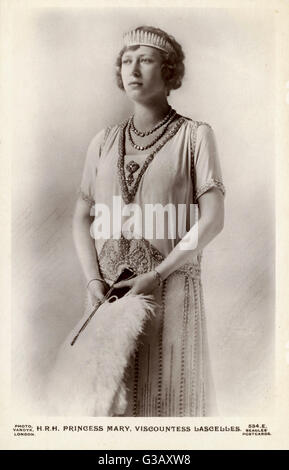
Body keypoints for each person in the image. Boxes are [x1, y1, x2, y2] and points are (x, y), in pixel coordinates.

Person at [72, 25, 225, 417]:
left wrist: (157, 275)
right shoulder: (103, 141)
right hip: (106, 296)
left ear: (169, 70)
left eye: (145, 60)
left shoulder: (194, 136)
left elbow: (212, 221)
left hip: (169, 294)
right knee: (109, 409)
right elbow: (80, 219)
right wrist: (93, 281)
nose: (133, 69)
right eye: (126, 60)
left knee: (166, 400)